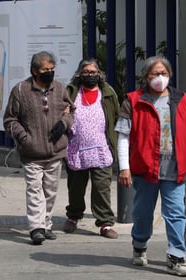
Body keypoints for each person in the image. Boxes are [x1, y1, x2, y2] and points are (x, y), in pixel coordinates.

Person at [115, 56, 186, 276]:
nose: (159, 78)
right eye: (154, 74)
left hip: (174, 168)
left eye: (163, 73)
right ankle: (139, 245)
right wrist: (124, 167)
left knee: (175, 213)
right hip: (145, 168)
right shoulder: (133, 100)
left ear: (170, 75)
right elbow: (123, 137)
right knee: (143, 213)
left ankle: (176, 257)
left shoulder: (180, 99)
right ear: (146, 77)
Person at [3, 51, 75, 245]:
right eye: (45, 69)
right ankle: (36, 227)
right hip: (31, 152)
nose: (49, 73)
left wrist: (63, 124)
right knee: (35, 190)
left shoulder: (60, 89)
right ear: (35, 71)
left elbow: (71, 111)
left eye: (52, 69)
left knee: (50, 192)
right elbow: (10, 119)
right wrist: (23, 137)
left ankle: (46, 223)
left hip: (55, 151)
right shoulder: (20, 90)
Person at [63, 58, 120, 239]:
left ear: (99, 74)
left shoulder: (108, 93)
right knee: (76, 187)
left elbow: (116, 117)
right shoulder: (71, 92)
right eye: (86, 72)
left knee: (102, 187)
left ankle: (104, 223)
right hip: (76, 148)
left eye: (93, 72)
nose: (90, 75)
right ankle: (73, 216)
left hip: (101, 148)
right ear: (80, 74)